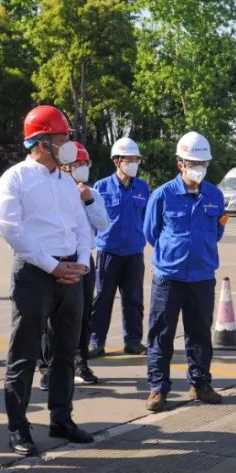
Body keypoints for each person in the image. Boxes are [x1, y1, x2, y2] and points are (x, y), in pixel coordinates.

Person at [0, 105, 94, 457]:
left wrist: (81, 264)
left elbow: (81, 226)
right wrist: (52, 266)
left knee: (65, 351)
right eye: (61, 137)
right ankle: (18, 427)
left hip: (70, 273)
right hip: (35, 273)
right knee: (24, 352)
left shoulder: (66, 182)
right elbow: (10, 229)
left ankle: (61, 418)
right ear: (41, 141)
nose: (68, 143)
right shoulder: (15, 179)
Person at [142, 132, 227, 413]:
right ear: (180, 164)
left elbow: (218, 230)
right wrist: (174, 252)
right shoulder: (163, 195)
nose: (199, 168)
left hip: (202, 277)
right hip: (169, 278)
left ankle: (200, 384)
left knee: (200, 334)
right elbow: (151, 232)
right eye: (193, 163)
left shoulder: (215, 195)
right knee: (161, 335)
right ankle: (158, 388)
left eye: (203, 163)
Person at [39, 142, 108, 389]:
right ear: (64, 166)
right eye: (76, 164)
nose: (82, 168)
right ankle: (47, 368)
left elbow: (103, 224)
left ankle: (80, 362)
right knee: (48, 317)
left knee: (82, 315)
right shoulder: (52, 190)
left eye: (85, 163)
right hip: (53, 260)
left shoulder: (93, 193)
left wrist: (88, 200)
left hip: (83, 260)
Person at [88, 136, 149, 358]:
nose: (133, 164)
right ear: (117, 161)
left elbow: (147, 219)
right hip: (109, 252)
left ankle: (133, 341)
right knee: (103, 299)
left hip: (134, 253)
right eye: (129, 159)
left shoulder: (143, 187)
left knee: (134, 300)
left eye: (136, 160)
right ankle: (96, 341)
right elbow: (93, 218)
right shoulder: (101, 187)